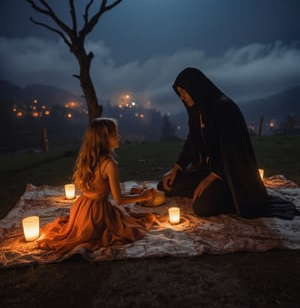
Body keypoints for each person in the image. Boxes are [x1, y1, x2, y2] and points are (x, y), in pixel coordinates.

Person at [158, 67, 298, 219]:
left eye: (183, 92)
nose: (182, 97)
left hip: (229, 172)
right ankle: (207, 192)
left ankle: (234, 197)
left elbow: (233, 151)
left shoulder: (224, 108)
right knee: (165, 186)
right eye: (179, 93)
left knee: (201, 207)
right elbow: (192, 141)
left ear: (195, 88)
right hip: (207, 169)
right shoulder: (196, 111)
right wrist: (176, 168)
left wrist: (209, 180)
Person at [38, 118, 156, 252]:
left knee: (123, 216)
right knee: (127, 226)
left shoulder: (88, 158)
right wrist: (143, 196)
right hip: (97, 215)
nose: (119, 136)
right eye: (115, 134)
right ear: (104, 139)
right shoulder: (109, 164)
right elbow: (119, 200)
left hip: (81, 208)